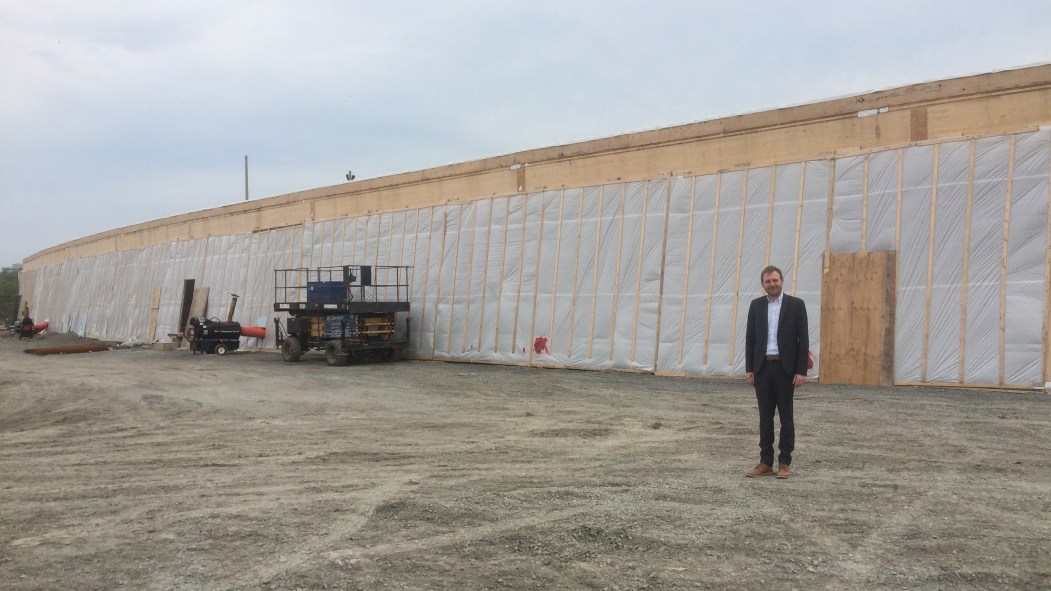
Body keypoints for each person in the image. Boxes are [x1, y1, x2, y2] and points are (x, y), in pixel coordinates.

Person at [744, 265, 809, 479]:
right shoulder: (756, 306)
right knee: (765, 417)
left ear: (782, 281)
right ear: (763, 284)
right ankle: (765, 462)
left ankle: (784, 463)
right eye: (768, 281)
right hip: (762, 368)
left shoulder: (796, 305)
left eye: (775, 280)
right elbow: (751, 338)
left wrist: (801, 371)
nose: (772, 284)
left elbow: (803, 339)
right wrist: (750, 368)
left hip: (785, 369)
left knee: (786, 417)